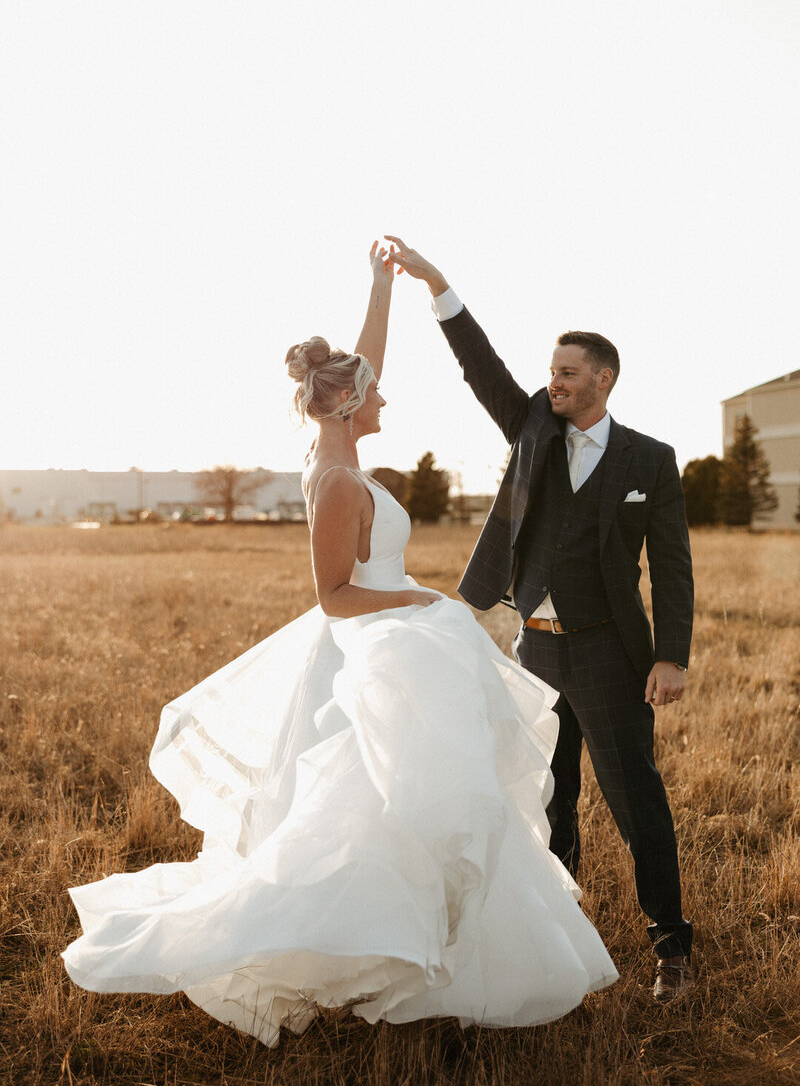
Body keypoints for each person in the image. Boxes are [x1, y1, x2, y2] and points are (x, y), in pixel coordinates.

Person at [61, 242, 617, 1047]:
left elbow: (367, 360)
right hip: (372, 653)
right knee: (373, 813)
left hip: (399, 643)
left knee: (408, 812)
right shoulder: (340, 482)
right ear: (352, 403)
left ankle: (423, 952)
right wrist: (422, 598)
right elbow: (334, 595)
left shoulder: (341, 447)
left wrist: (381, 286)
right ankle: (377, 949)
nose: (385, 392)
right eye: (375, 390)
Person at [385, 236, 695, 1004]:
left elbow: (674, 566)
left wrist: (671, 655)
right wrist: (438, 286)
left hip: (611, 656)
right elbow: (479, 364)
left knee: (636, 804)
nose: (551, 380)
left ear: (603, 380)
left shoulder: (649, 460)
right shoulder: (529, 424)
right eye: (551, 370)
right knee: (545, 802)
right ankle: (559, 939)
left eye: (566, 371)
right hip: (535, 655)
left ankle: (673, 949)